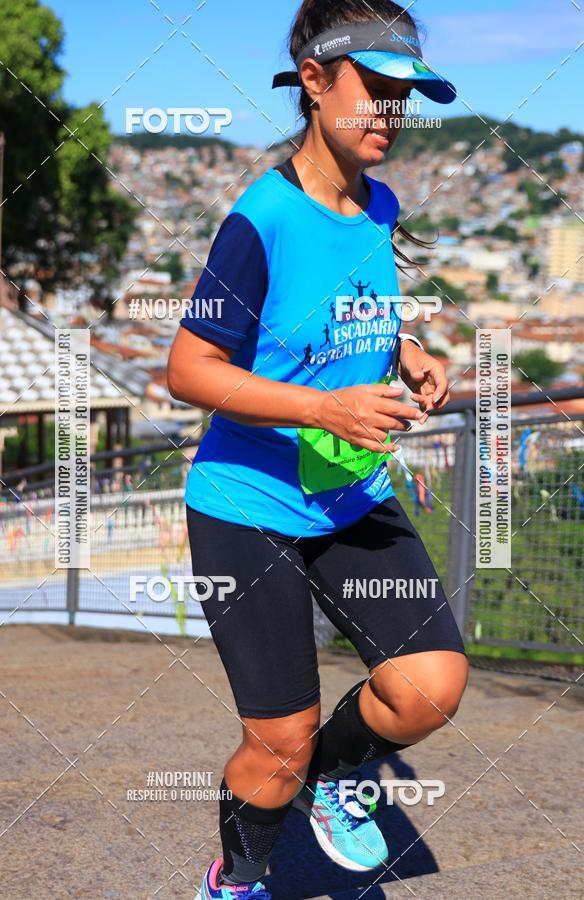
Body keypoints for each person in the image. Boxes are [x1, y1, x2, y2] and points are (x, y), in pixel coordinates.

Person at [167, 2, 468, 897]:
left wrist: (405, 350)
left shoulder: (379, 204)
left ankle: (340, 780)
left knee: (429, 686)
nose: (390, 114)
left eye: (404, 98)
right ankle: (236, 878)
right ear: (313, 81)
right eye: (373, 91)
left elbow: (352, 308)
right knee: (281, 742)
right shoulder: (259, 219)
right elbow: (188, 367)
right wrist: (321, 408)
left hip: (348, 496)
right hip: (247, 508)